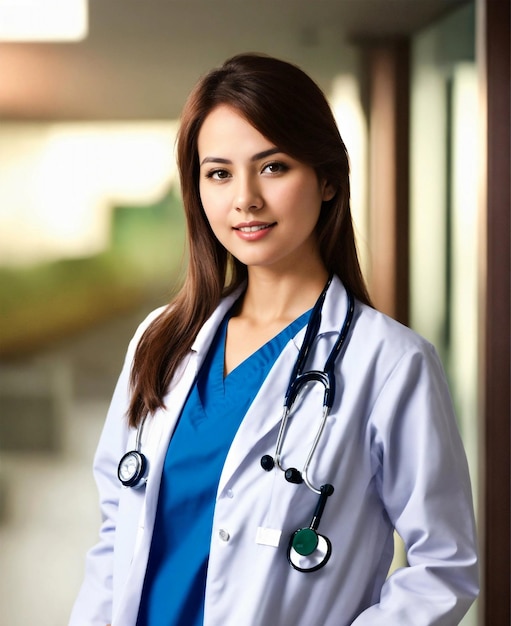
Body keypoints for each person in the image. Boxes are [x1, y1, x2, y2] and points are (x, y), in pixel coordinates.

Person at [69, 53, 478, 626]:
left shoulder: (388, 363)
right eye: (219, 173)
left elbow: (444, 567)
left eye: (274, 167)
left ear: (329, 179)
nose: (245, 199)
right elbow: (118, 531)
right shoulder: (161, 341)